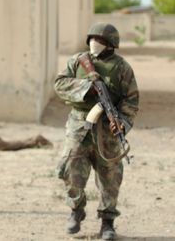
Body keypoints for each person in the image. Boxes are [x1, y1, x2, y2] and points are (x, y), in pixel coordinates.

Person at [54, 23, 139, 240]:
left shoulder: (122, 68)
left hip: (108, 131)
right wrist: (86, 88)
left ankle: (108, 222)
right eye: (92, 38)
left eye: (100, 40)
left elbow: (131, 100)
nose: (95, 43)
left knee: (110, 177)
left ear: (111, 45)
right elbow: (60, 84)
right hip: (79, 126)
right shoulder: (78, 60)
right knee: (71, 168)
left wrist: (122, 122)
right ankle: (76, 210)